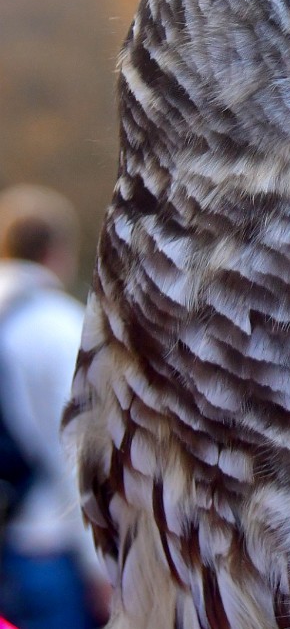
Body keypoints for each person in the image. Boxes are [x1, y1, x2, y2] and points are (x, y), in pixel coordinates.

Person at [0, 186, 110, 629]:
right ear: (56, 251)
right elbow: (78, 456)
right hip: (49, 553)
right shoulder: (57, 326)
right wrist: (102, 567)